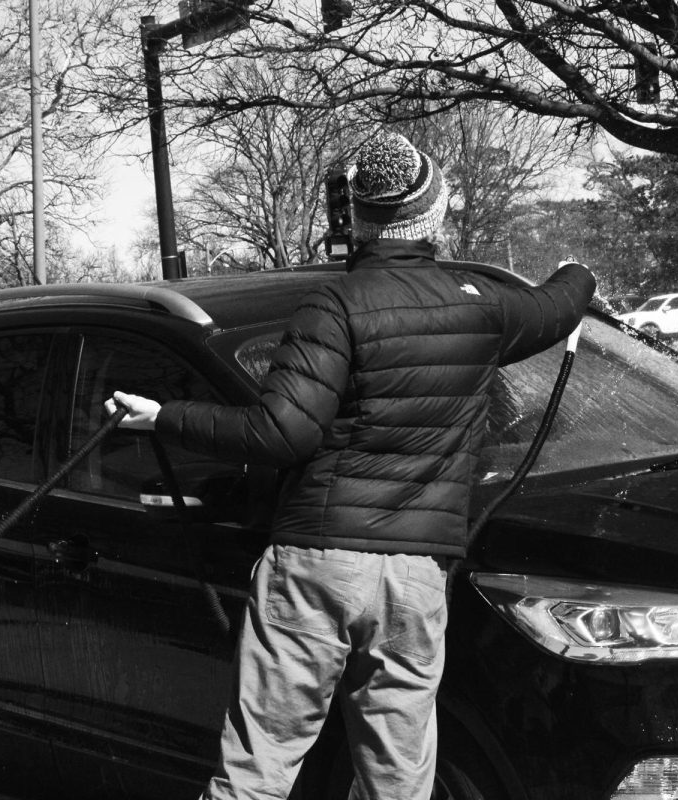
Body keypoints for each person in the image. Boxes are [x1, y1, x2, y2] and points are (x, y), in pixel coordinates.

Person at [104, 131, 596, 800]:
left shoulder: (332, 306)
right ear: (438, 210)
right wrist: (578, 274)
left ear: (357, 220)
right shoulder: (482, 306)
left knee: (257, 771)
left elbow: (281, 431)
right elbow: (557, 305)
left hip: (314, 566)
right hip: (413, 579)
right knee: (397, 781)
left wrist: (163, 416)